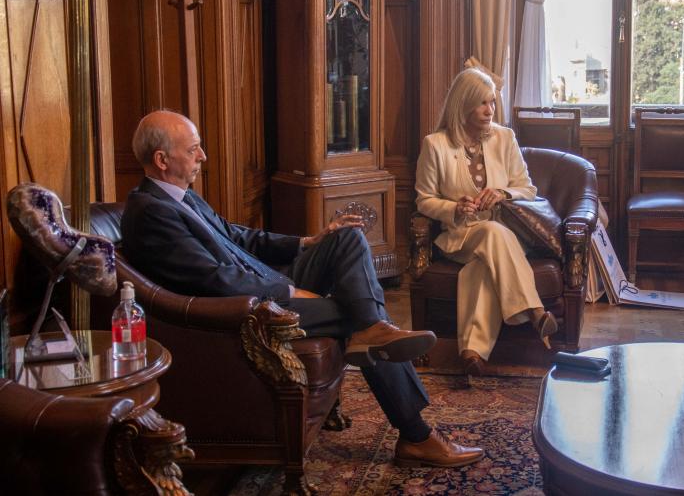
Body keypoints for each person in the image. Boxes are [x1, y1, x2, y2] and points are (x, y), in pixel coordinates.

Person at [120, 110, 483, 467]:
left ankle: (374, 329)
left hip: (266, 281)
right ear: (162, 160)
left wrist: (307, 242)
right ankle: (416, 435)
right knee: (356, 317)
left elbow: (238, 237)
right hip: (246, 309)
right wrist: (287, 292)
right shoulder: (151, 212)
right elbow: (213, 281)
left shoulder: (181, 195)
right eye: (194, 149)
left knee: (347, 238)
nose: (203, 156)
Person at [414, 67, 557, 376]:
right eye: (482, 103)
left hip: (506, 237)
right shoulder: (435, 144)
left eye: (492, 102)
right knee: (490, 234)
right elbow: (423, 199)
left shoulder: (505, 138)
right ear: (462, 104)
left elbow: (527, 188)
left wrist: (503, 193)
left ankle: (472, 353)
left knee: (481, 267)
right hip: (459, 237)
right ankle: (535, 312)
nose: (489, 110)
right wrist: (453, 207)